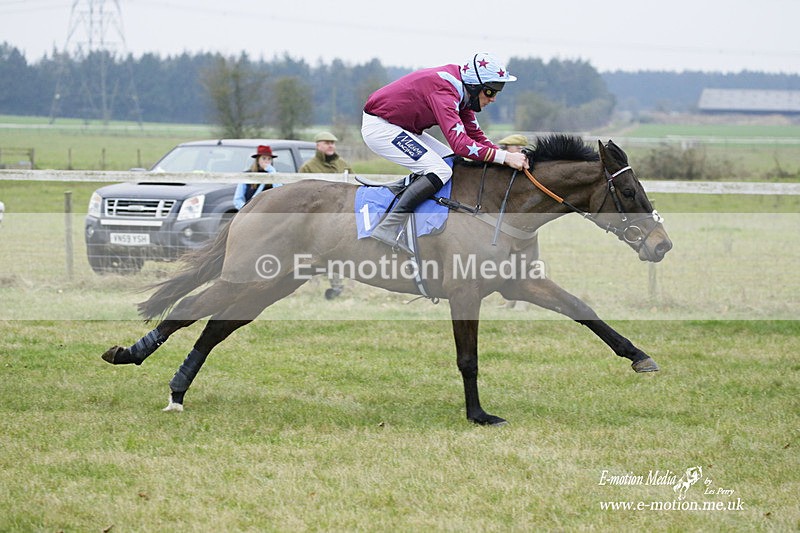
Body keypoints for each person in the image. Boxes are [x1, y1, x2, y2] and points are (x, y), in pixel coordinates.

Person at [361, 52, 529, 252]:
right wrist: (506, 156)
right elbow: (461, 144)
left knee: (452, 162)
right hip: (381, 127)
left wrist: (505, 159)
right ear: (475, 87)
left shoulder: (464, 94)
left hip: (401, 127)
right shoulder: (445, 90)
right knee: (440, 170)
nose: (493, 99)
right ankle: (389, 226)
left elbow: (475, 135)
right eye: (491, 92)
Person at [299, 131, 352, 298]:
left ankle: (337, 287)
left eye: (333, 143)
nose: (331, 145)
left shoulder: (343, 165)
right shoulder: (308, 167)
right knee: (314, 252)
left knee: (336, 251)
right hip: (318, 218)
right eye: (327, 142)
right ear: (318, 145)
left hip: (340, 216)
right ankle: (311, 287)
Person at [233, 145, 280, 210]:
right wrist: (246, 210)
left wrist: (273, 173)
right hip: (251, 212)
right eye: (264, 158)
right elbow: (237, 199)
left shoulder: (274, 174)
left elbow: (279, 192)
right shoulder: (247, 175)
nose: (267, 161)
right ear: (258, 160)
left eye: (269, 159)